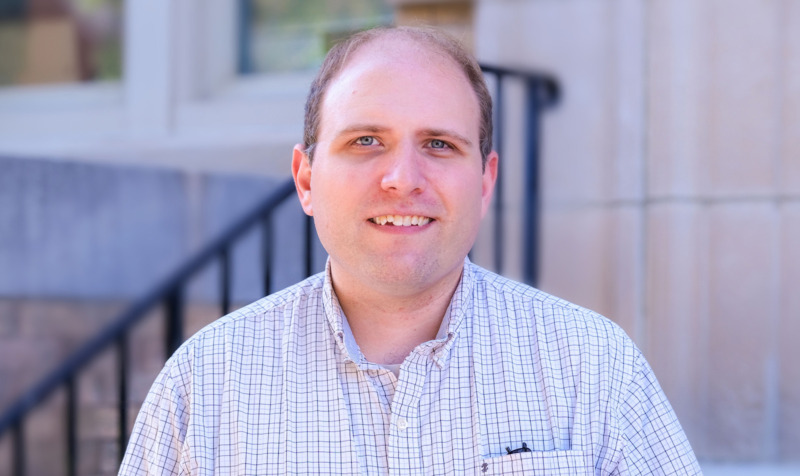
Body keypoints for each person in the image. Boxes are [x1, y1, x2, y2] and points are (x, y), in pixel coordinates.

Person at [119, 26, 701, 475]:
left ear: (485, 181)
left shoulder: (593, 368)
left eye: (440, 144)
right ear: (305, 180)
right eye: (366, 141)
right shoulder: (206, 382)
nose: (402, 178)